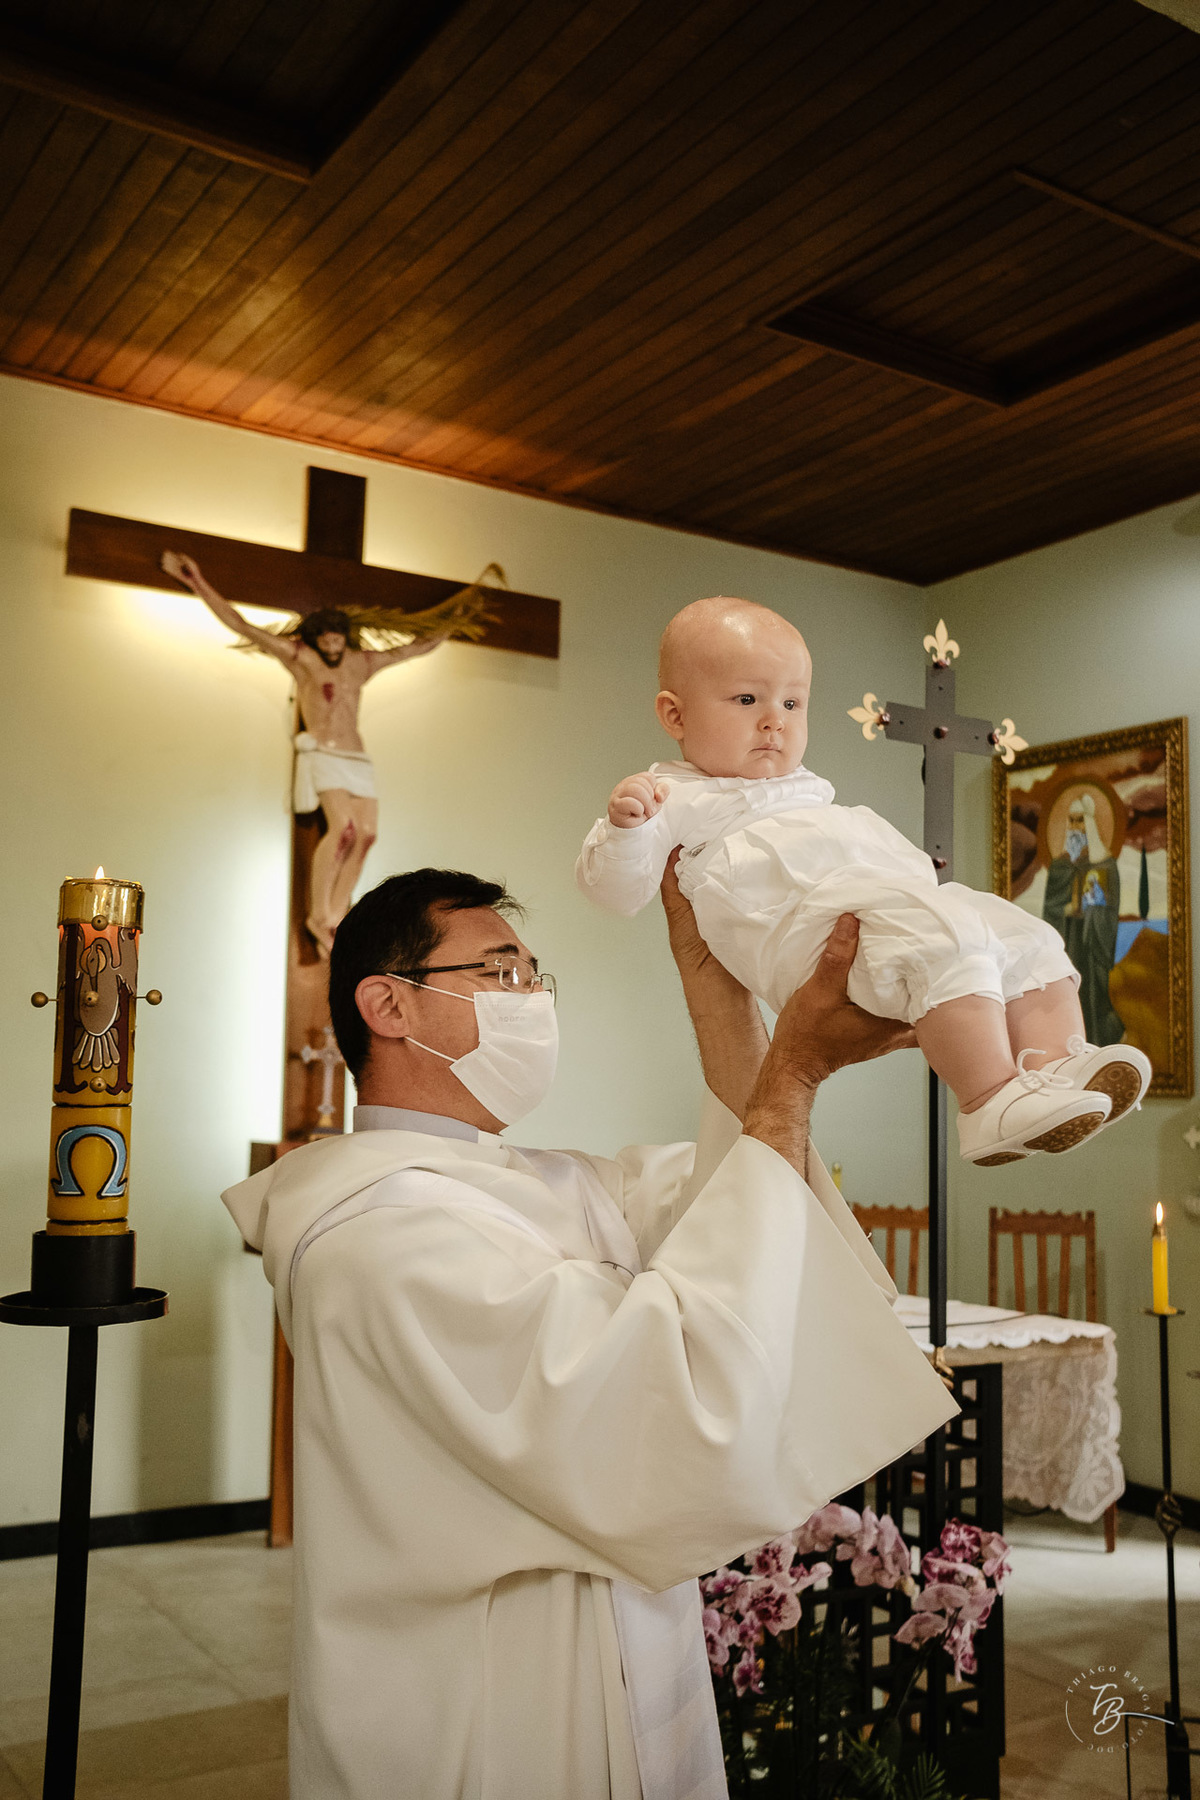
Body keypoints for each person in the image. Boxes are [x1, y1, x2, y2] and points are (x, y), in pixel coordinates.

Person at [222, 864, 958, 1799]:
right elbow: (662, 1396)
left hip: (618, 1649)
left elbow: (736, 1212)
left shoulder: (547, 1180)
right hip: (487, 1706)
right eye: (500, 973)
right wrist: (795, 1073)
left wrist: (717, 994)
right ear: (388, 1005)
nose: (532, 999)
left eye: (536, 973)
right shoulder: (377, 1238)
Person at [577, 597, 1150, 1167]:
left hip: (884, 903)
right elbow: (616, 894)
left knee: (1018, 930)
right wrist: (627, 831)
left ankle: (1050, 1065)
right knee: (947, 934)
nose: (774, 720)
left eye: (793, 702)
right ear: (675, 716)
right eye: (747, 699)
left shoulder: (801, 785)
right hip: (808, 930)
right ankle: (987, 1101)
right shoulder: (670, 795)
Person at [161, 550, 455, 953]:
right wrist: (195, 580)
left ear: (344, 638)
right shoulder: (302, 660)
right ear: (317, 638)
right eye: (326, 639)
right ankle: (319, 914)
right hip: (324, 754)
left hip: (357, 756)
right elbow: (243, 625)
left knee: (368, 834)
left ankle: (334, 916)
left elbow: (412, 649)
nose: (332, 645)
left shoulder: (361, 663)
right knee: (345, 829)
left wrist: (455, 623)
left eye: (338, 639)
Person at [1042, 789, 1125, 1047]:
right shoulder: (1059, 867)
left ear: (1089, 823)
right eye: (1072, 820)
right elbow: (1049, 912)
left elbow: (1109, 910)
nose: (1076, 826)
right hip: (1068, 943)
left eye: (1081, 820)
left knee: (1092, 995)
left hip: (1091, 945)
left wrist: (1091, 912)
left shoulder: (1103, 865)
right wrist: (1064, 911)